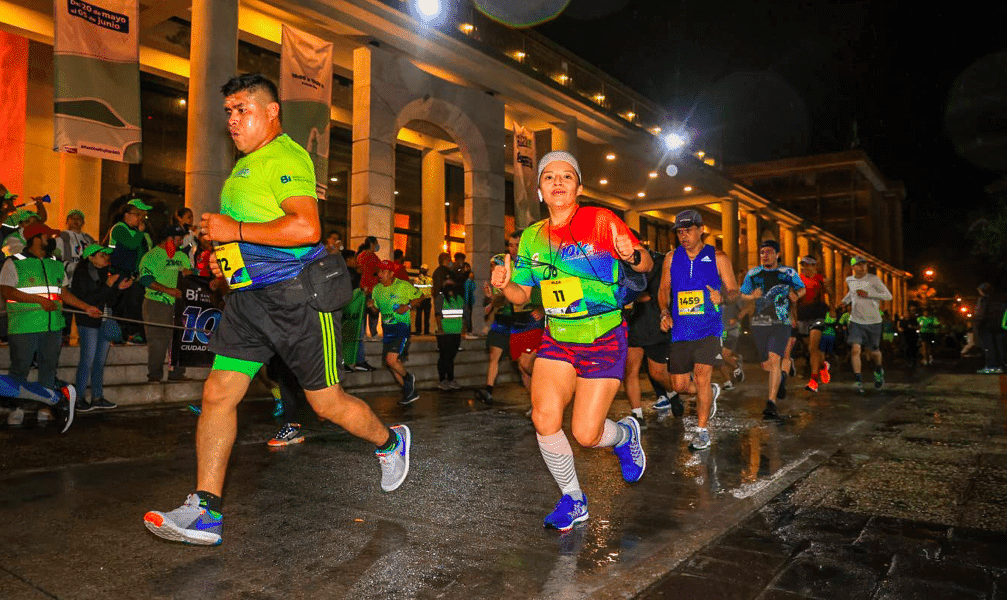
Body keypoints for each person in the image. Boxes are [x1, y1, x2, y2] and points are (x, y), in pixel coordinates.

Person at [144, 73, 411, 546]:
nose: (232, 119)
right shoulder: (243, 168)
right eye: (228, 111)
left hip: (295, 300)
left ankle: (391, 442)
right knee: (217, 395)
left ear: (271, 112)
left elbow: (307, 228)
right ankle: (205, 510)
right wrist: (226, 261)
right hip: (248, 302)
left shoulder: (285, 156)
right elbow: (252, 233)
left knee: (326, 405)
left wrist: (235, 230)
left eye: (242, 108)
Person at [491, 150, 652, 531]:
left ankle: (626, 433)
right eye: (549, 177)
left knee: (586, 434)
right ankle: (574, 499)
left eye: (567, 176)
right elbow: (522, 294)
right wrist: (505, 285)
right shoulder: (532, 237)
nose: (558, 182)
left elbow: (644, 264)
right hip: (557, 338)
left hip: (603, 337)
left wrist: (632, 255)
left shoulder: (601, 220)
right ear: (540, 190)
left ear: (578, 186)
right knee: (544, 418)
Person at [1, 222, 102, 431]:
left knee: (48, 370)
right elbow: (7, 292)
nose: (53, 239)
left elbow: (63, 293)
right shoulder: (14, 262)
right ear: (36, 237)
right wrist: (38, 301)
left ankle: (45, 407)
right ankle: (16, 409)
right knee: (20, 369)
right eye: (49, 235)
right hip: (24, 326)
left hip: (53, 326)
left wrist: (86, 308)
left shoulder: (56, 263)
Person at [658, 209, 738, 450]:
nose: (684, 236)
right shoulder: (672, 258)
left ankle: (702, 431)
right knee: (679, 386)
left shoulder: (718, 257)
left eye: (688, 230)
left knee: (702, 377)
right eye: (680, 232)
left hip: (709, 330)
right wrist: (664, 312)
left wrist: (722, 297)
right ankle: (710, 393)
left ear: (701, 229)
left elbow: (733, 291)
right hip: (681, 331)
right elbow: (663, 291)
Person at [739, 240, 805, 420]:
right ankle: (782, 376)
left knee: (775, 359)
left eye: (769, 251)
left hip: (781, 321)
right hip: (759, 323)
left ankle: (771, 403)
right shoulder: (753, 274)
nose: (765, 255)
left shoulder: (788, 272)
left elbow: (802, 289)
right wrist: (752, 296)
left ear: (777, 254)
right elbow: (742, 293)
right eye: (762, 252)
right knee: (766, 364)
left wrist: (795, 295)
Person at [71, 244, 133, 412]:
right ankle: (78, 398)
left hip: (104, 319)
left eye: (106, 255)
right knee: (88, 360)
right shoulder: (82, 274)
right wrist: (108, 285)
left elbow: (109, 300)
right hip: (88, 322)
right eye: (101, 255)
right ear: (91, 257)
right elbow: (87, 299)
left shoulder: (105, 273)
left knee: (99, 361)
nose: (106, 257)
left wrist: (118, 289)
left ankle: (97, 397)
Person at [624, 236, 674, 422]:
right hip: (632, 323)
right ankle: (637, 414)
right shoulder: (619, 266)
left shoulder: (662, 261)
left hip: (656, 323)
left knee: (657, 373)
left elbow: (666, 290)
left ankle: (673, 393)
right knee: (631, 370)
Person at [138, 224, 193, 383]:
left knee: (178, 338)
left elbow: (189, 277)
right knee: (157, 340)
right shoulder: (151, 256)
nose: (182, 241)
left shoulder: (182, 256)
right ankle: (154, 376)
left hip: (179, 304)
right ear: (170, 239)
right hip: (157, 303)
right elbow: (145, 279)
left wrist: (190, 273)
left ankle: (177, 374)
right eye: (179, 238)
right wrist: (167, 290)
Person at [370, 260, 423, 404]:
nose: (380, 274)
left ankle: (408, 378)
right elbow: (376, 310)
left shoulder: (403, 285)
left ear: (392, 274)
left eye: (383, 271)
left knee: (391, 360)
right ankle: (410, 392)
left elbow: (421, 297)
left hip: (401, 327)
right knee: (392, 365)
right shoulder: (377, 290)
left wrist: (408, 306)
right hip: (387, 329)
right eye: (379, 271)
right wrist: (371, 307)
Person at [841, 256, 892, 392]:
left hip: (873, 321)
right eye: (858, 265)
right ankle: (858, 381)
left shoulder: (873, 279)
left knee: (874, 351)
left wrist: (868, 293)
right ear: (853, 267)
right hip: (856, 320)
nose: (862, 267)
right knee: (855, 350)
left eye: (864, 265)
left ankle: (878, 370)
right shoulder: (849, 280)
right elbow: (852, 294)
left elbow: (888, 296)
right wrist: (843, 302)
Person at [796, 255, 832, 392]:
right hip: (802, 315)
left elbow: (830, 293)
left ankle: (813, 380)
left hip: (818, 314)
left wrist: (833, 309)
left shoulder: (821, 279)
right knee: (811, 349)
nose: (805, 268)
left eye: (808, 265)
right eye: (803, 265)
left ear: (814, 266)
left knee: (812, 347)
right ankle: (823, 366)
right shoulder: (798, 279)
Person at [436, 279, 464, 389]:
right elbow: (438, 314)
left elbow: (464, 314)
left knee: (450, 357)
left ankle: (450, 379)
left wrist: (463, 329)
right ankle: (444, 379)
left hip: (456, 332)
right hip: (445, 333)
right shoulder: (441, 298)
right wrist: (440, 328)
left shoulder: (459, 299)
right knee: (444, 357)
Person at [974, 283, 1005, 373]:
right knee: (997, 347)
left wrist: (978, 323)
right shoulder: (998, 300)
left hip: (986, 326)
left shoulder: (984, 300)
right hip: (998, 326)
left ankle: (991, 366)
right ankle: (998, 366)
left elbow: (981, 314)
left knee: (988, 347)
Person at [357, 235, 381, 339]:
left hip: (364, 288)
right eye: (376, 243)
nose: (377, 246)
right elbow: (377, 272)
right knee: (373, 313)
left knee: (364, 312)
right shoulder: (371, 257)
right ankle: (373, 333)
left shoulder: (361, 256)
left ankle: (363, 334)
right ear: (372, 244)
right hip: (370, 288)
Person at [431, 252, 453, 333]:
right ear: (444, 260)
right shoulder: (444, 271)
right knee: (440, 312)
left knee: (439, 311)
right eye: (449, 259)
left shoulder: (437, 271)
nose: (450, 261)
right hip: (442, 294)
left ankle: (441, 328)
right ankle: (441, 328)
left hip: (438, 294)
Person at [412, 264, 433, 335]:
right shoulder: (430, 279)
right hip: (425, 298)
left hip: (421, 299)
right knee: (425, 316)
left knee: (419, 315)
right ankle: (425, 331)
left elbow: (415, 290)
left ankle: (419, 331)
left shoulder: (416, 279)